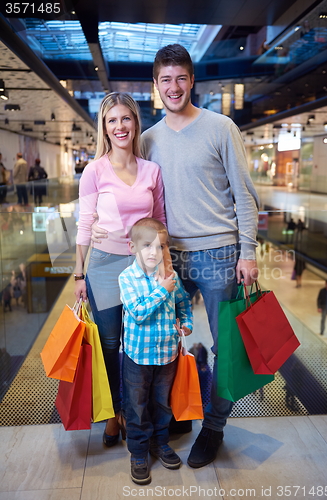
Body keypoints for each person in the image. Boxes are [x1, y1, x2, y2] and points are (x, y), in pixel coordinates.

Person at [92, 44, 259, 469]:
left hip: (217, 254)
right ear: (154, 86)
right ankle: (168, 417)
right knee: (158, 340)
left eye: (180, 77)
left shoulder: (221, 127)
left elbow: (244, 195)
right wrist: (102, 226)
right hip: (165, 258)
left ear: (192, 81)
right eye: (165, 79)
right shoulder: (148, 139)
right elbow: (136, 193)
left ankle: (214, 428)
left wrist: (248, 251)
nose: (173, 86)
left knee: (225, 347)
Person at [74, 92, 167, 449]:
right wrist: (79, 275)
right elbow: (84, 226)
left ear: (135, 122)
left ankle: (139, 415)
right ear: (104, 127)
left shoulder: (151, 171)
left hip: (144, 266)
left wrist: (164, 266)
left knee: (140, 344)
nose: (119, 126)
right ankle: (116, 415)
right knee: (112, 344)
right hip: (104, 266)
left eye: (125, 118)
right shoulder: (94, 171)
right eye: (112, 120)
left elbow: (160, 222)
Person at [119, 217, 193, 484]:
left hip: (167, 355)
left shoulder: (171, 277)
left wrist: (186, 323)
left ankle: (160, 442)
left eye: (161, 246)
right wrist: (162, 290)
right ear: (132, 247)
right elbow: (138, 313)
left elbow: (184, 302)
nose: (154, 252)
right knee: (137, 406)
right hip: (138, 358)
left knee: (162, 403)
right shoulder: (127, 278)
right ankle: (138, 451)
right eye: (147, 245)